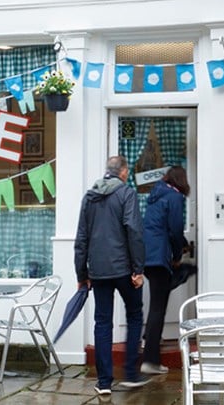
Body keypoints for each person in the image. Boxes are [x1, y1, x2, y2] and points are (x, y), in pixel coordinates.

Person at [75, 156, 149, 394]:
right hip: (125, 269)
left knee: (102, 322)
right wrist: (138, 269)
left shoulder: (89, 197)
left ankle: (104, 382)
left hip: (98, 271)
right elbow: (134, 231)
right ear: (124, 172)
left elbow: (81, 238)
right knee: (135, 315)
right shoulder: (126, 194)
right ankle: (130, 373)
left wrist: (81, 274)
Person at [137, 166, 190, 375]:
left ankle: (148, 339)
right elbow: (175, 229)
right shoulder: (175, 198)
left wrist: (181, 244)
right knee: (158, 307)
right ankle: (150, 360)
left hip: (148, 255)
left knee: (156, 305)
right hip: (160, 258)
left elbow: (161, 226)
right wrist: (178, 256)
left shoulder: (156, 195)